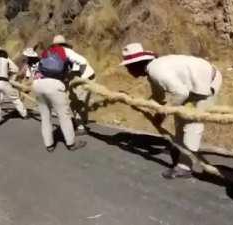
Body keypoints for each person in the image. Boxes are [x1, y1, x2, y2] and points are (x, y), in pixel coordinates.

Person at [120, 43, 222, 179]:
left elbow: (181, 93)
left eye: (128, 67)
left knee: (192, 124)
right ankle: (179, 148)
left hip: (206, 83)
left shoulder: (156, 71)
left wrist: (162, 112)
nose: (128, 70)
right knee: (180, 120)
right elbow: (158, 97)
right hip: (194, 85)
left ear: (136, 65)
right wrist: (142, 106)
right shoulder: (152, 71)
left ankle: (185, 167)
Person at [33, 35, 91, 152]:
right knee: (64, 116)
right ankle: (71, 143)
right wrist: (79, 76)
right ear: (64, 44)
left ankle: (49, 145)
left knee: (45, 116)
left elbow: (38, 69)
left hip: (38, 84)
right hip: (54, 84)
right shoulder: (65, 51)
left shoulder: (46, 52)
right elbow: (83, 61)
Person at [43, 35, 95, 135]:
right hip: (81, 77)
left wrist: (77, 78)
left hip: (83, 78)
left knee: (76, 103)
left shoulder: (65, 51)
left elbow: (82, 62)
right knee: (75, 102)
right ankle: (81, 123)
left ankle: (81, 127)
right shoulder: (61, 54)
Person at [0, 46, 28, 127]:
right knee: (15, 97)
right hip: (2, 82)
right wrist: (8, 72)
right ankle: (24, 114)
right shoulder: (5, 59)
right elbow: (15, 69)